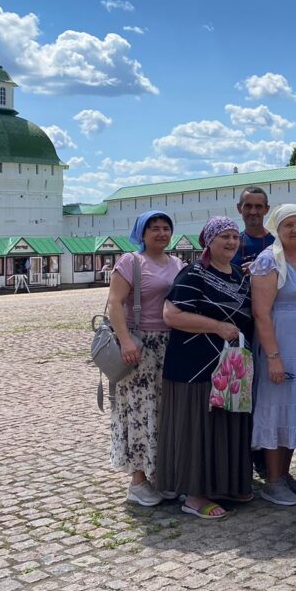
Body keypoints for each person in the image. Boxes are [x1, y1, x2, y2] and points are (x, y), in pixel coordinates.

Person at [157, 216, 253, 520]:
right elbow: (172, 315)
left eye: (234, 237)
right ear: (208, 241)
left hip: (230, 366)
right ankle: (195, 495)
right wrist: (216, 327)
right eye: (223, 236)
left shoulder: (238, 275)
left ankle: (225, 485)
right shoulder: (194, 273)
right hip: (194, 365)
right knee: (197, 428)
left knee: (225, 424)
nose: (231, 242)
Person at [108, 210, 184, 506]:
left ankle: (160, 474)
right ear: (142, 233)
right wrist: (126, 339)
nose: (162, 233)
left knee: (165, 410)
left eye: (166, 228)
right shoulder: (131, 262)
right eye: (155, 228)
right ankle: (138, 481)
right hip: (140, 345)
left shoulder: (177, 263)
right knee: (140, 410)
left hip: (171, 344)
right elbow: (114, 302)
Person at [250, 204, 296, 507]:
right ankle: (272, 480)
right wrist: (273, 357)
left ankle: (285, 474)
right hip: (280, 342)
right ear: (277, 230)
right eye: (289, 225)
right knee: (276, 406)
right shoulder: (268, 262)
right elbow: (261, 314)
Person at [232, 186, 274, 271]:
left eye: (258, 206)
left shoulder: (276, 243)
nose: (253, 212)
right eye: (248, 206)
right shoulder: (231, 244)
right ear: (239, 208)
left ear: (266, 209)